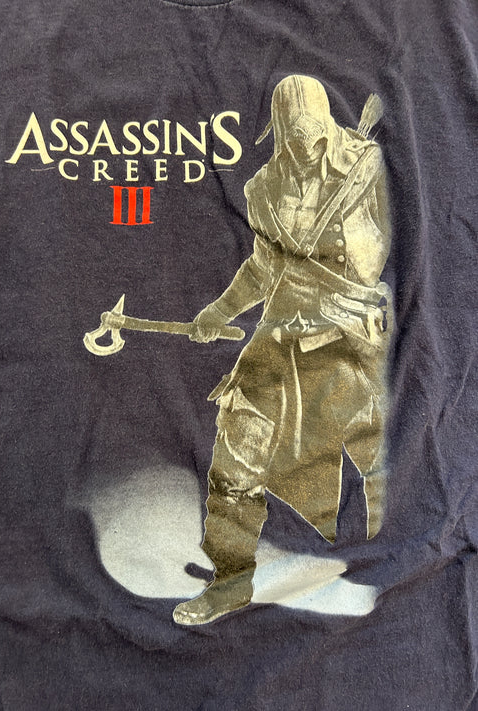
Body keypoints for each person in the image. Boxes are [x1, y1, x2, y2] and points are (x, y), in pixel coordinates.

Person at [173, 75, 393, 626]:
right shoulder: (265, 189)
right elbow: (263, 268)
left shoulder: (366, 167)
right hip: (282, 337)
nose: (304, 148)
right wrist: (218, 312)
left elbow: (375, 256)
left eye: (312, 135)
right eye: (292, 137)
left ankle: (395, 576)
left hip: (350, 341)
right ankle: (230, 580)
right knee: (236, 447)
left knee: (380, 463)